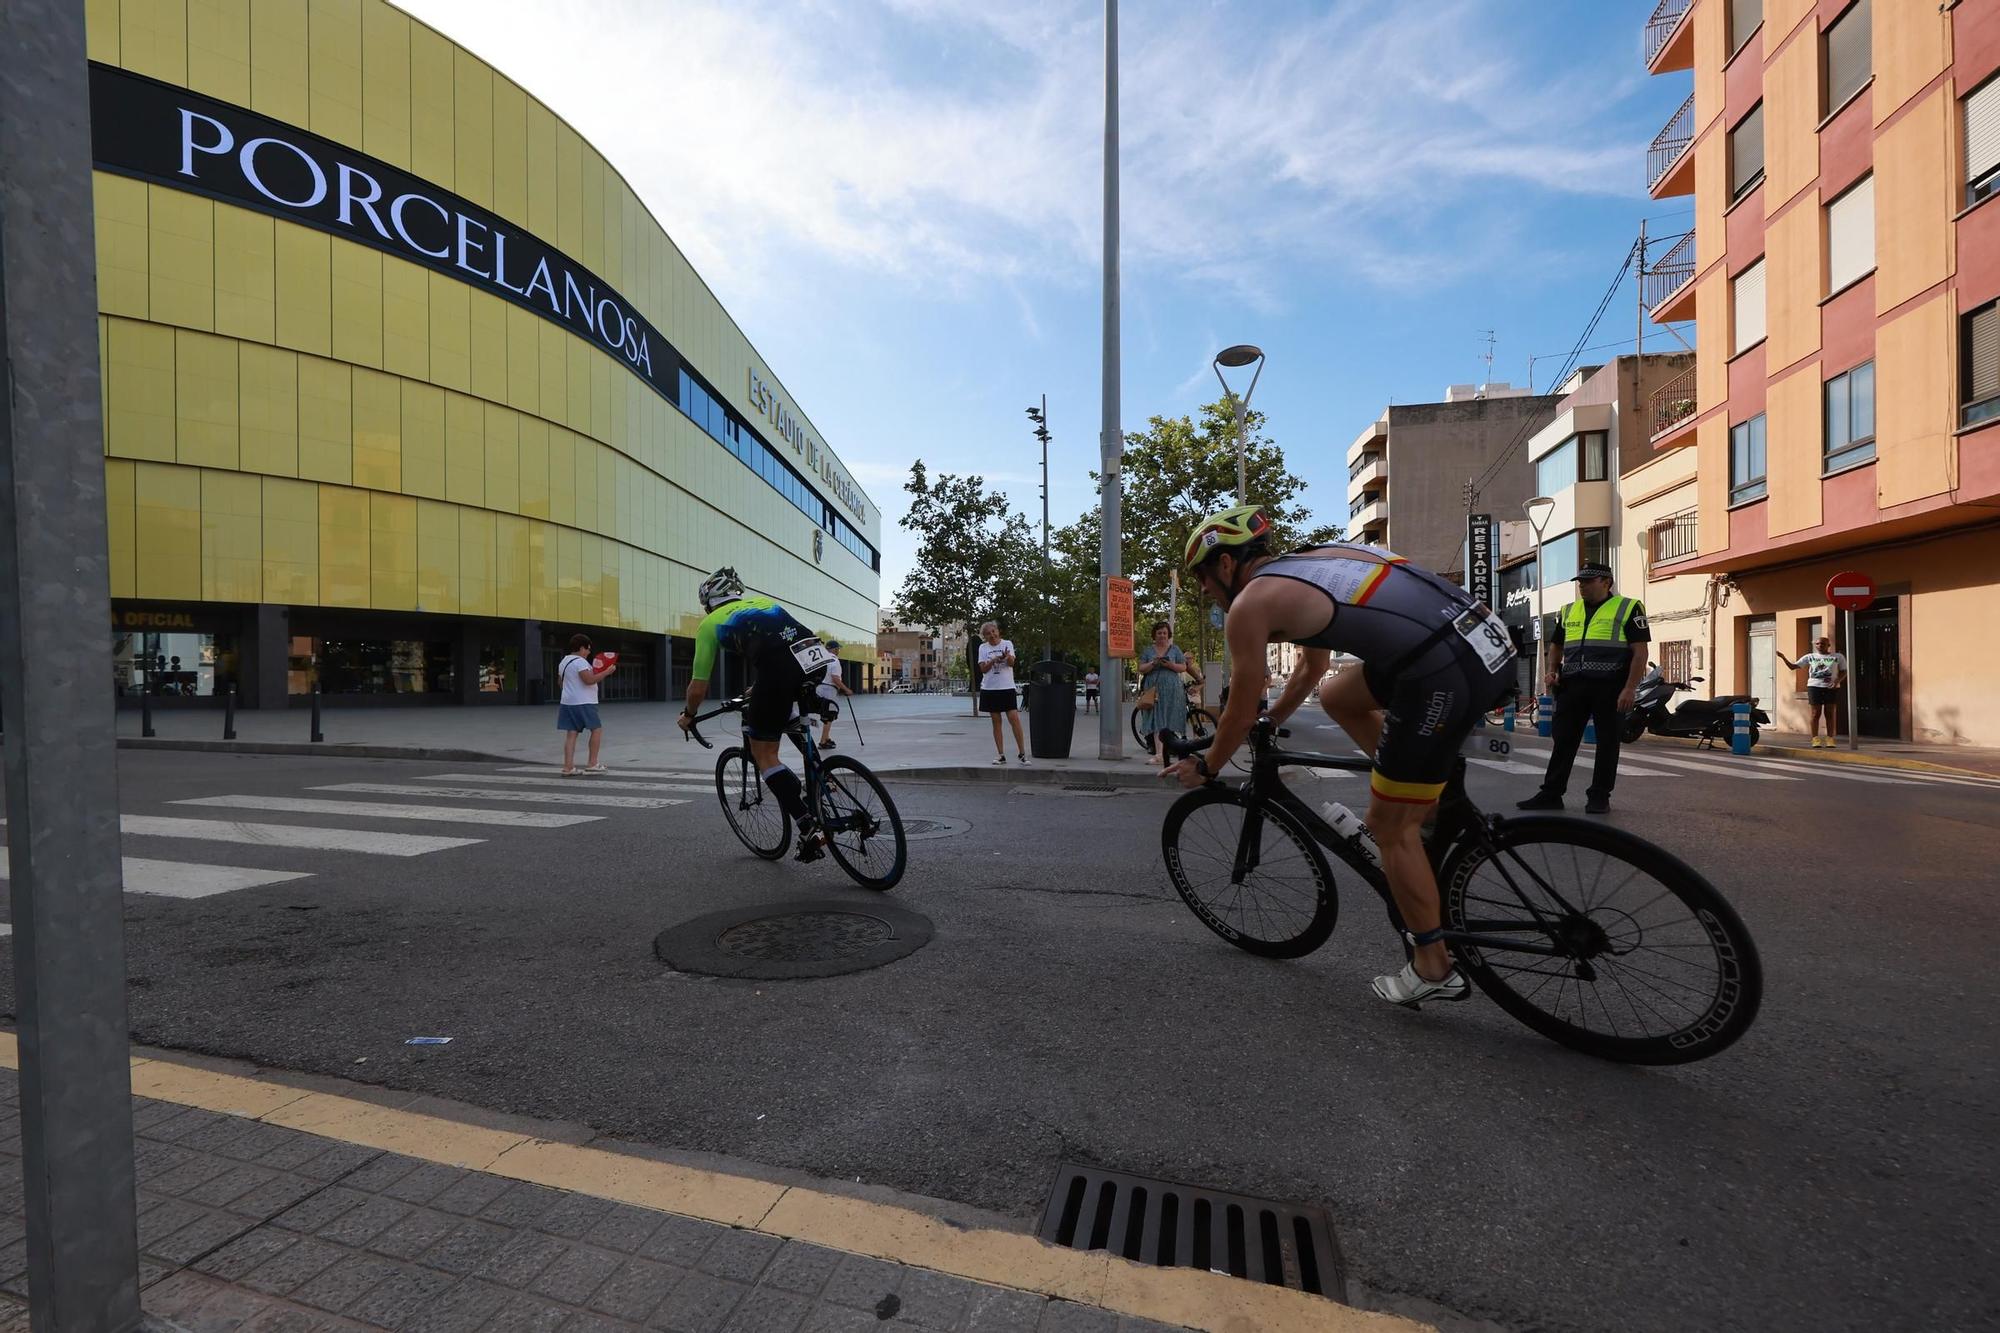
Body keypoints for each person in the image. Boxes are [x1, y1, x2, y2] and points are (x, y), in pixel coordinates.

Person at [1163, 506, 1517, 1009]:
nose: (1203, 589)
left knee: (1388, 826)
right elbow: (1312, 672)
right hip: (1482, 639)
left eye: (1202, 575)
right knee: (1338, 695)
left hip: (1439, 670)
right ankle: (1425, 803)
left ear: (1225, 565)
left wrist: (1208, 766)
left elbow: (1239, 708)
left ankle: (1433, 967)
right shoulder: (1316, 561)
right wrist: (1274, 719)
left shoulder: (1249, 606)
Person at [678, 568, 840, 861]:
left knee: (764, 754)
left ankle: (808, 824)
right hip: (816, 660)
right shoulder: (765, 603)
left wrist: (689, 714)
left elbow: (698, 686)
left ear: (709, 602)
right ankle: (820, 779)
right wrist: (760, 687)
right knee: (786, 710)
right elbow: (782, 650)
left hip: (779, 671)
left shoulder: (710, 623)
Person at [1518, 562, 1650, 815]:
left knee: (1608, 742)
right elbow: (1556, 644)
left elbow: (1640, 652)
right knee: (1563, 740)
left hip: (1611, 687)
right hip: (1572, 686)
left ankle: (1599, 796)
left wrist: (1630, 688)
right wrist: (1553, 670)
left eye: (1588, 581)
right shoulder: (1569, 610)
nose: (1582, 585)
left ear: (1606, 582)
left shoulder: (1628, 607)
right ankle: (1551, 793)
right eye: (1580, 581)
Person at [555, 632, 616, 776]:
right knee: (596, 729)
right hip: (584, 702)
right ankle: (593, 763)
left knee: (571, 734)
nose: (589, 652)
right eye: (588, 649)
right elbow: (589, 680)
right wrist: (606, 672)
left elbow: (560, 683)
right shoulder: (580, 662)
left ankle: (568, 767)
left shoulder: (564, 661)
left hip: (567, 702)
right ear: (582, 648)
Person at [1136, 622, 1192, 768]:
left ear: (1168, 635)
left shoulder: (1175, 649)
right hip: (1154, 689)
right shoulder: (1148, 650)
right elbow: (1141, 668)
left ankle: (1168, 750)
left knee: (1169, 719)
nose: (1162, 635)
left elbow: (1183, 666)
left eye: (1164, 633)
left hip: (1173, 689)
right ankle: (1159, 754)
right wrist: (1153, 664)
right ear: (1154, 634)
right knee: (1157, 719)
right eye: (1159, 632)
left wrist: (1170, 665)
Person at [1777, 636, 1847, 747]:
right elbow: (1793, 666)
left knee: (1829, 713)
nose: (1819, 646)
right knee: (1815, 713)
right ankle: (1815, 739)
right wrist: (1783, 657)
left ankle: (1830, 739)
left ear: (1828, 645)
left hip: (1831, 687)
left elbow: (1844, 671)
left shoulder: (1837, 657)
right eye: (1817, 644)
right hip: (1814, 687)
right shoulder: (1810, 657)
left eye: (1822, 644)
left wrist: (1837, 681)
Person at [976, 621, 1029, 764]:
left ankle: (1022, 753)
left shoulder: (1007, 644)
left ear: (998, 631)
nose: (992, 635)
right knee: (996, 721)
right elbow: (983, 669)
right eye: (988, 633)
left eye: (994, 631)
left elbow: (1012, 663)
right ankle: (1001, 754)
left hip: (1006, 687)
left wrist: (1007, 657)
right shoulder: (982, 648)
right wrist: (992, 661)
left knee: (1014, 718)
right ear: (985, 636)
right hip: (990, 688)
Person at [814, 640, 855, 750]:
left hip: (819, 688)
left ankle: (826, 738)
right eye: (838, 649)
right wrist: (847, 690)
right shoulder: (834, 661)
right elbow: (835, 678)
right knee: (829, 715)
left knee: (825, 714)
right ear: (835, 649)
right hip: (829, 689)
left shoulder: (821, 659)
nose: (839, 651)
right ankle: (823, 741)